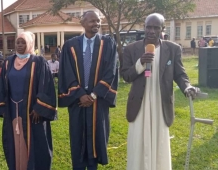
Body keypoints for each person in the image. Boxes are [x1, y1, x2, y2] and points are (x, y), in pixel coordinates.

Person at [121, 13, 200, 170]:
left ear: (162, 29)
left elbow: (180, 74)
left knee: (160, 144)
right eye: (148, 27)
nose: (151, 31)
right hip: (139, 105)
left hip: (161, 103)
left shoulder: (172, 49)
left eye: (156, 27)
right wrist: (140, 63)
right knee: (138, 143)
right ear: (144, 27)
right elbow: (126, 75)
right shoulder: (131, 49)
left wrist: (187, 87)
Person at [58, 10, 118, 170]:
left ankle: (93, 166)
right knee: (77, 136)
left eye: (98, 21)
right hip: (77, 100)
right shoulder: (70, 46)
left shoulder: (108, 44)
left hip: (97, 100)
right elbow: (66, 72)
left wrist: (93, 95)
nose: (96, 24)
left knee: (96, 137)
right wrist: (79, 94)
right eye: (92, 21)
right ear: (82, 23)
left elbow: (110, 71)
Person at [0, 31, 57, 170]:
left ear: (30, 44)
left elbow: (46, 85)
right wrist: (2, 107)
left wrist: (39, 107)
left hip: (32, 112)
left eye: (23, 42)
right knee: (15, 143)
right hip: (12, 110)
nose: (20, 45)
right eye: (18, 42)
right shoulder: (8, 62)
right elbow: (1, 86)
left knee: (35, 142)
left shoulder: (39, 62)